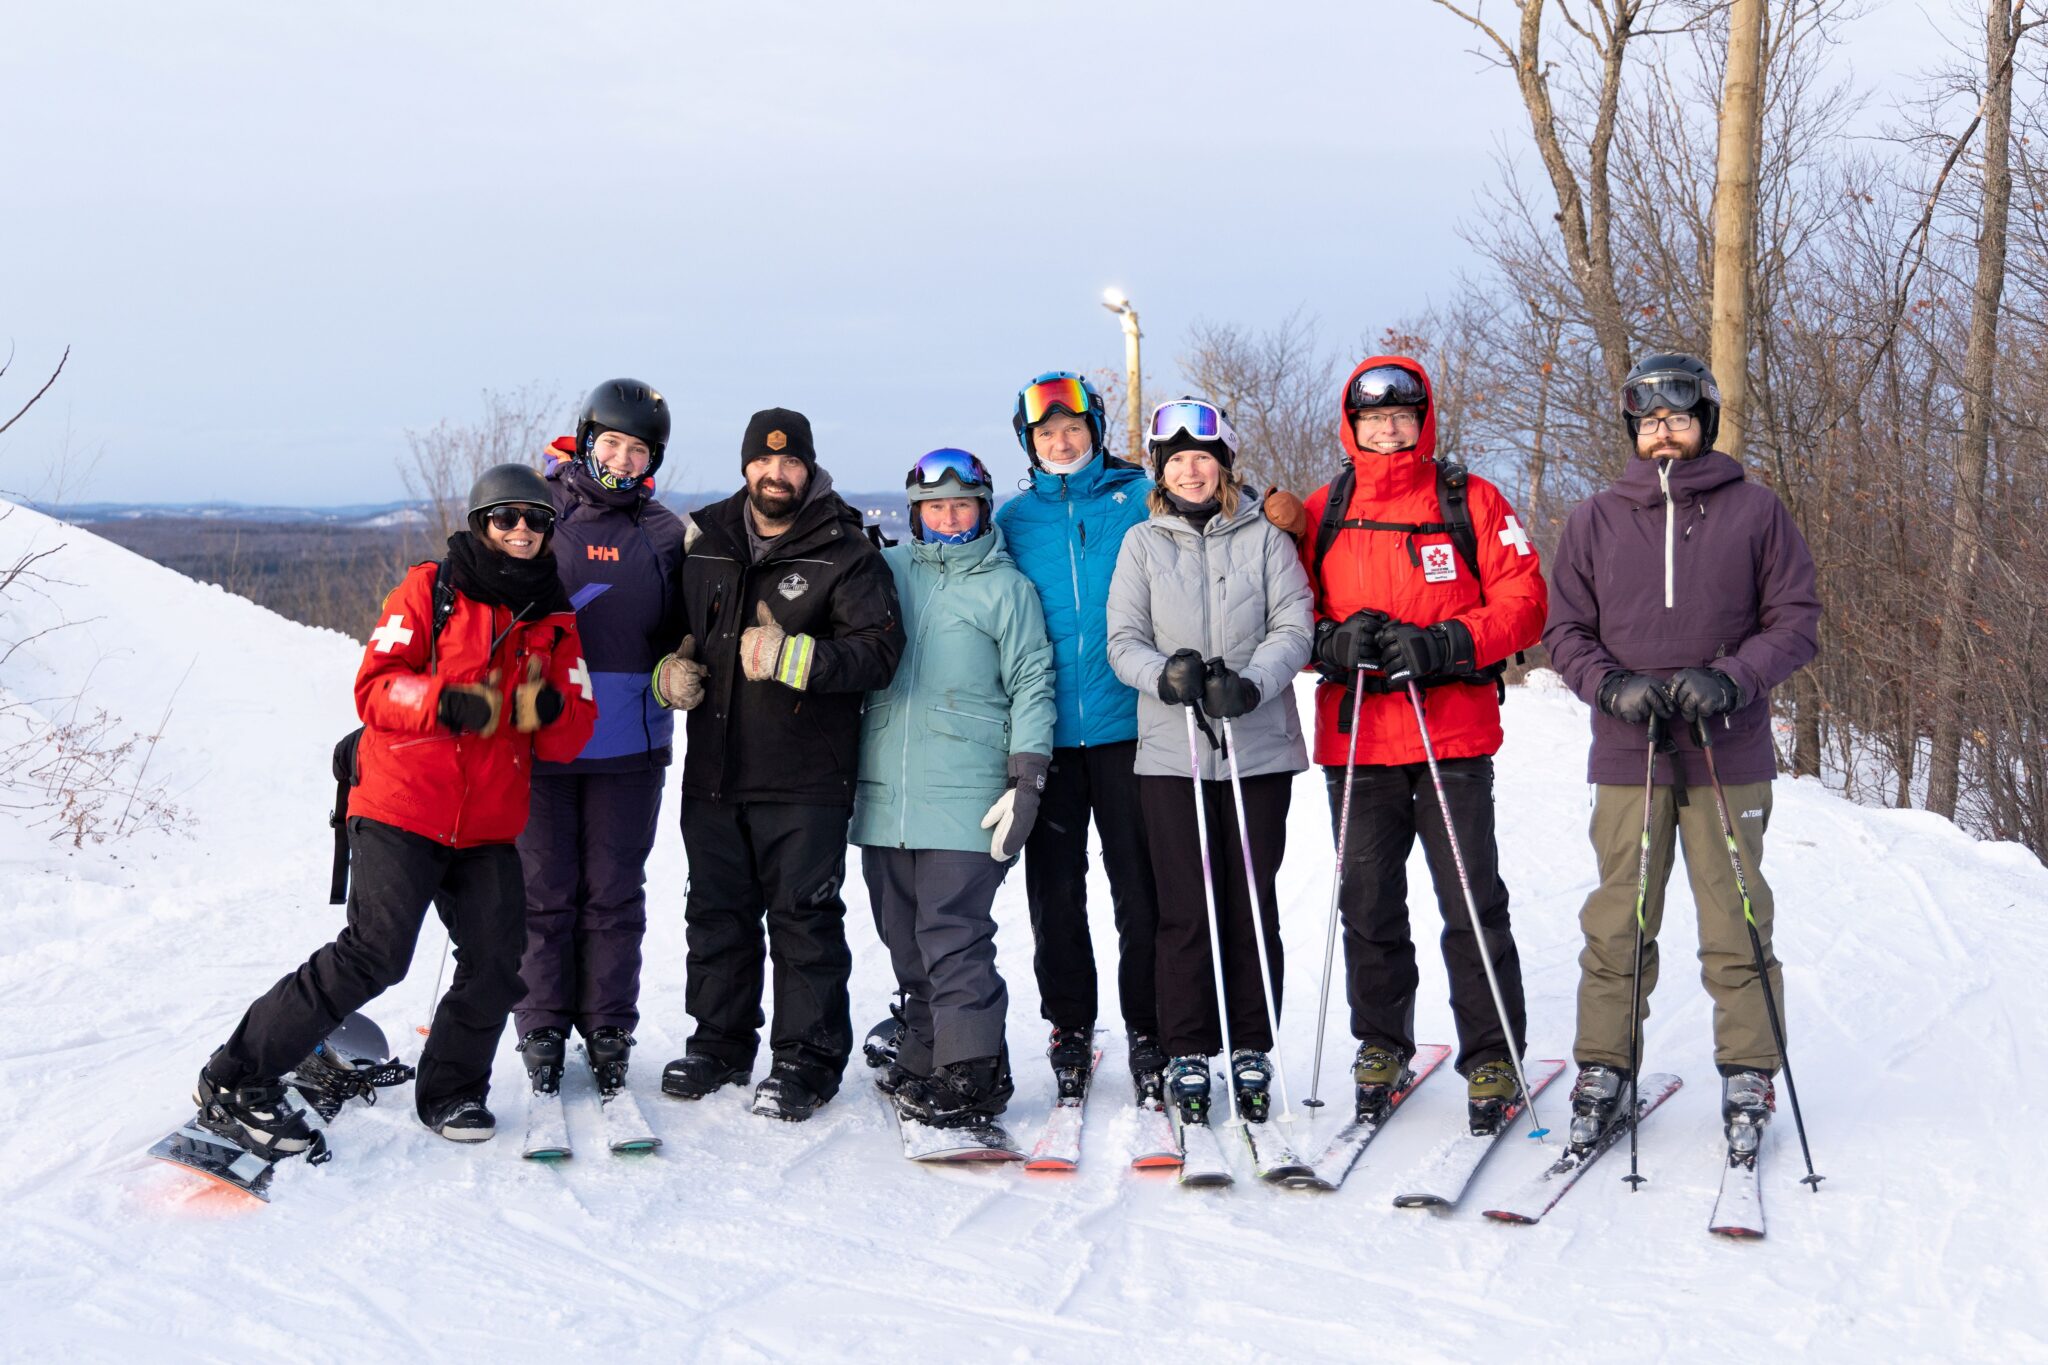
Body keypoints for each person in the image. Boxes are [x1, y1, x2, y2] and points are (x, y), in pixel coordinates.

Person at [194, 465, 596, 1153]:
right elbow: (376, 688)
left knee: (498, 963)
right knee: (374, 955)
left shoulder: (555, 620)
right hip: (402, 805)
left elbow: (573, 733)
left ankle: (452, 1091)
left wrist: (550, 710)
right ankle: (234, 1075)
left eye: (535, 519)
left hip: (487, 824)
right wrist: (448, 702)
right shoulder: (431, 589)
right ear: (481, 524)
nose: (522, 530)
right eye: (506, 517)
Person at [1542, 352, 1819, 1153]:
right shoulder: (1595, 518)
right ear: (1634, 429)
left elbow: (1796, 619)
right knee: (1619, 919)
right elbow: (1565, 630)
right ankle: (1605, 1066)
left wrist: (1731, 679)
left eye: (1679, 418)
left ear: (1706, 423)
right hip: (1630, 752)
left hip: (1726, 751)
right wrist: (1609, 686)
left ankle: (1749, 1070)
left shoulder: (1756, 511)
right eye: (1651, 421)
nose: (1664, 433)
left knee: (1736, 916)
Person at [1294, 355, 1548, 1130]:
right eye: (1373, 420)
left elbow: (1526, 599)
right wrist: (1332, 641)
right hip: (1360, 737)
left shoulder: (1470, 498)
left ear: (1423, 420)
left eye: (1401, 418)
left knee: (1471, 900)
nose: (1388, 431)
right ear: (1353, 427)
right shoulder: (1325, 508)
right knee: (1368, 903)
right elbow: (1284, 610)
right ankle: (1381, 1043)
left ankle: (1493, 1052)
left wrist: (1447, 642)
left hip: (1451, 733)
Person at [651, 407, 905, 1121]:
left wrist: (798, 658)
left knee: (803, 921)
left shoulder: (845, 550)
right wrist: (666, 672)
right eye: (764, 461)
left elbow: (879, 653)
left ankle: (806, 1060)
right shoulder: (707, 542)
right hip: (714, 772)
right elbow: (670, 632)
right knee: (716, 914)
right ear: (745, 466)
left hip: (805, 776)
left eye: (791, 461)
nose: (776, 473)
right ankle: (719, 1043)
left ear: (809, 468)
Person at [1105, 398, 1313, 1127]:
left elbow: (1295, 624)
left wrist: (1252, 682)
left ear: (1224, 465)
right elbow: (1123, 639)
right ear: (1160, 472)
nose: (1191, 471)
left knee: (1250, 901)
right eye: (1177, 461)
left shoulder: (1265, 537)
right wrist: (1164, 677)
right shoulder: (1141, 544)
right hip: (1174, 753)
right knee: (1185, 907)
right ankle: (1188, 1045)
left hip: (1257, 749)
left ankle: (1252, 1041)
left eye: (1203, 458)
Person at [852, 449, 1056, 1125]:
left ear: (982, 509)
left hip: (968, 789)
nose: (948, 518)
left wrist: (1027, 777)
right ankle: (926, 1045)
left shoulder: (1007, 588)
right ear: (916, 514)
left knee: (953, 933)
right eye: (935, 507)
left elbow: (1032, 682)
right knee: (901, 934)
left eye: (961, 505)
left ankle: (974, 1069)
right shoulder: (887, 571)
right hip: (886, 790)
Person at [511, 379, 689, 1102]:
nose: (622, 458)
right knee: (543, 891)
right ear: (586, 440)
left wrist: (684, 662)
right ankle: (542, 1025)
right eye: (611, 442)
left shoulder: (665, 533)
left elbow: (689, 625)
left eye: (637, 449)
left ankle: (609, 1025)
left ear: (654, 459)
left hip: (629, 743)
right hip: (541, 738)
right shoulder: (536, 512)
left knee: (614, 893)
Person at [993, 371, 1166, 1101]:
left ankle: (1150, 1025)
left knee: (1141, 888)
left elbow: (1211, 523)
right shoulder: (1011, 520)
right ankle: (1070, 1024)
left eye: (1072, 428)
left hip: (1132, 728)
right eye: (1045, 433)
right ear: (1028, 442)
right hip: (1049, 738)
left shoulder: (1141, 499)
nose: (1061, 442)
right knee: (1055, 892)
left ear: (1094, 430)